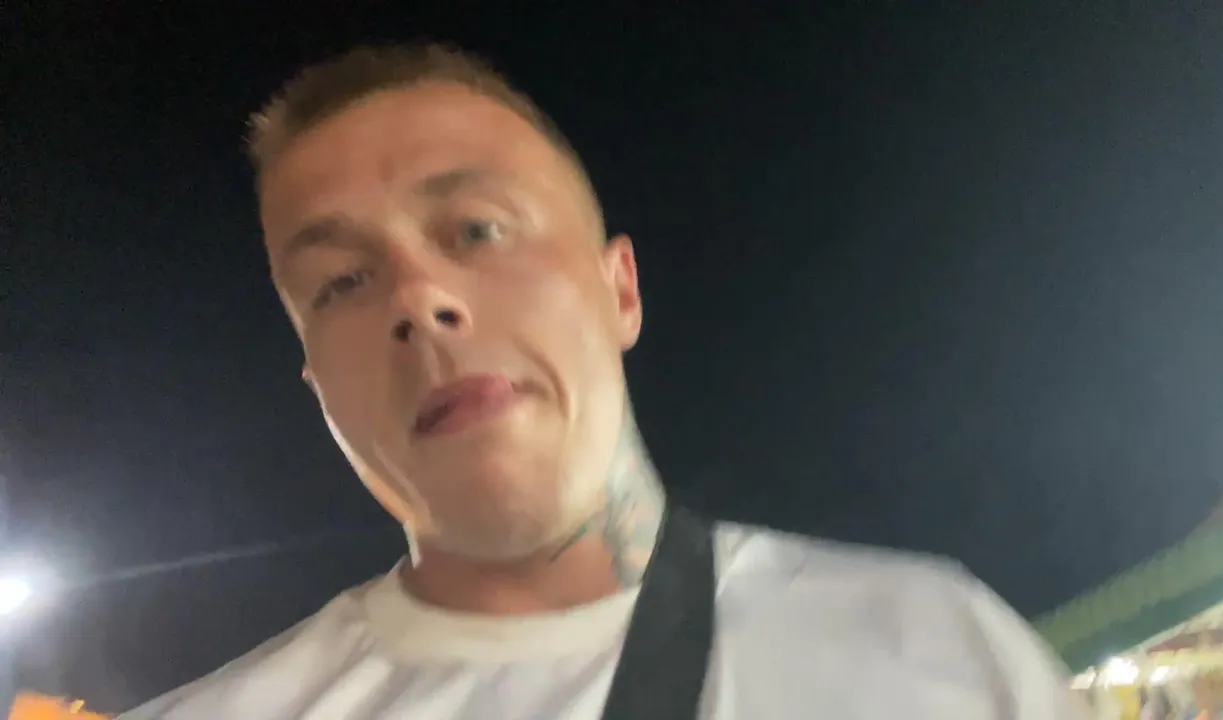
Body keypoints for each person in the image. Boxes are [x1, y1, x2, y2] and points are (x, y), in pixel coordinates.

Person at [119, 43, 1085, 719]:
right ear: (317, 386)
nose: (417, 299)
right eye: (341, 283)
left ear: (619, 289)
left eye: (476, 229)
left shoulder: (936, 652)